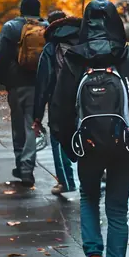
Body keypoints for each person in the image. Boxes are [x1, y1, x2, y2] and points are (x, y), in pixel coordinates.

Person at [50, 0, 129, 257]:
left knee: (88, 197)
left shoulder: (75, 60)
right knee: (117, 211)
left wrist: (75, 147)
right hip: (124, 147)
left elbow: (58, 111)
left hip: (88, 147)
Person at [0, 0, 46, 187]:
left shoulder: (10, 27)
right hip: (37, 85)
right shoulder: (46, 27)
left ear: (21, 9)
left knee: (17, 126)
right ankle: (27, 168)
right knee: (31, 126)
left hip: (16, 84)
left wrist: (4, 81)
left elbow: (1, 58)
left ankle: (20, 163)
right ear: (38, 9)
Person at [33, 11, 80, 195]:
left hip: (58, 101)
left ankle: (66, 182)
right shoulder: (83, 40)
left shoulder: (51, 47)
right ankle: (91, 180)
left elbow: (42, 83)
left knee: (58, 140)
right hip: (85, 99)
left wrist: (37, 116)